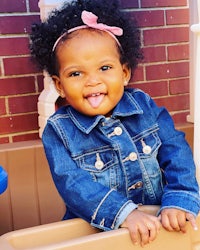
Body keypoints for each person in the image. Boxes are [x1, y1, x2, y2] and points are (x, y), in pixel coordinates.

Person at [30, 0, 200, 246]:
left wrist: (180, 198)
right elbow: (74, 184)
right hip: (98, 232)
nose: (92, 81)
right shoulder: (59, 130)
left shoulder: (145, 106)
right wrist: (124, 213)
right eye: (76, 73)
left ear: (124, 72)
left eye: (105, 68)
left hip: (161, 225)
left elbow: (176, 151)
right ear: (59, 85)